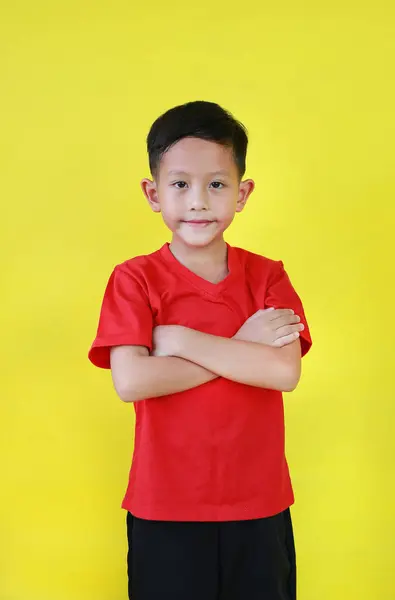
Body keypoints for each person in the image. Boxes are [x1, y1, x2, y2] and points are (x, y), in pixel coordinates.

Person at [88, 100, 312, 600]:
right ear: (153, 193)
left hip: (258, 504)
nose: (198, 202)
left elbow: (283, 372)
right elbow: (132, 381)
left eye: (216, 184)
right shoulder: (134, 279)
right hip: (164, 505)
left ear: (242, 192)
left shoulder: (267, 276)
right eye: (180, 184)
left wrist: (181, 342)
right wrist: (240, 349)